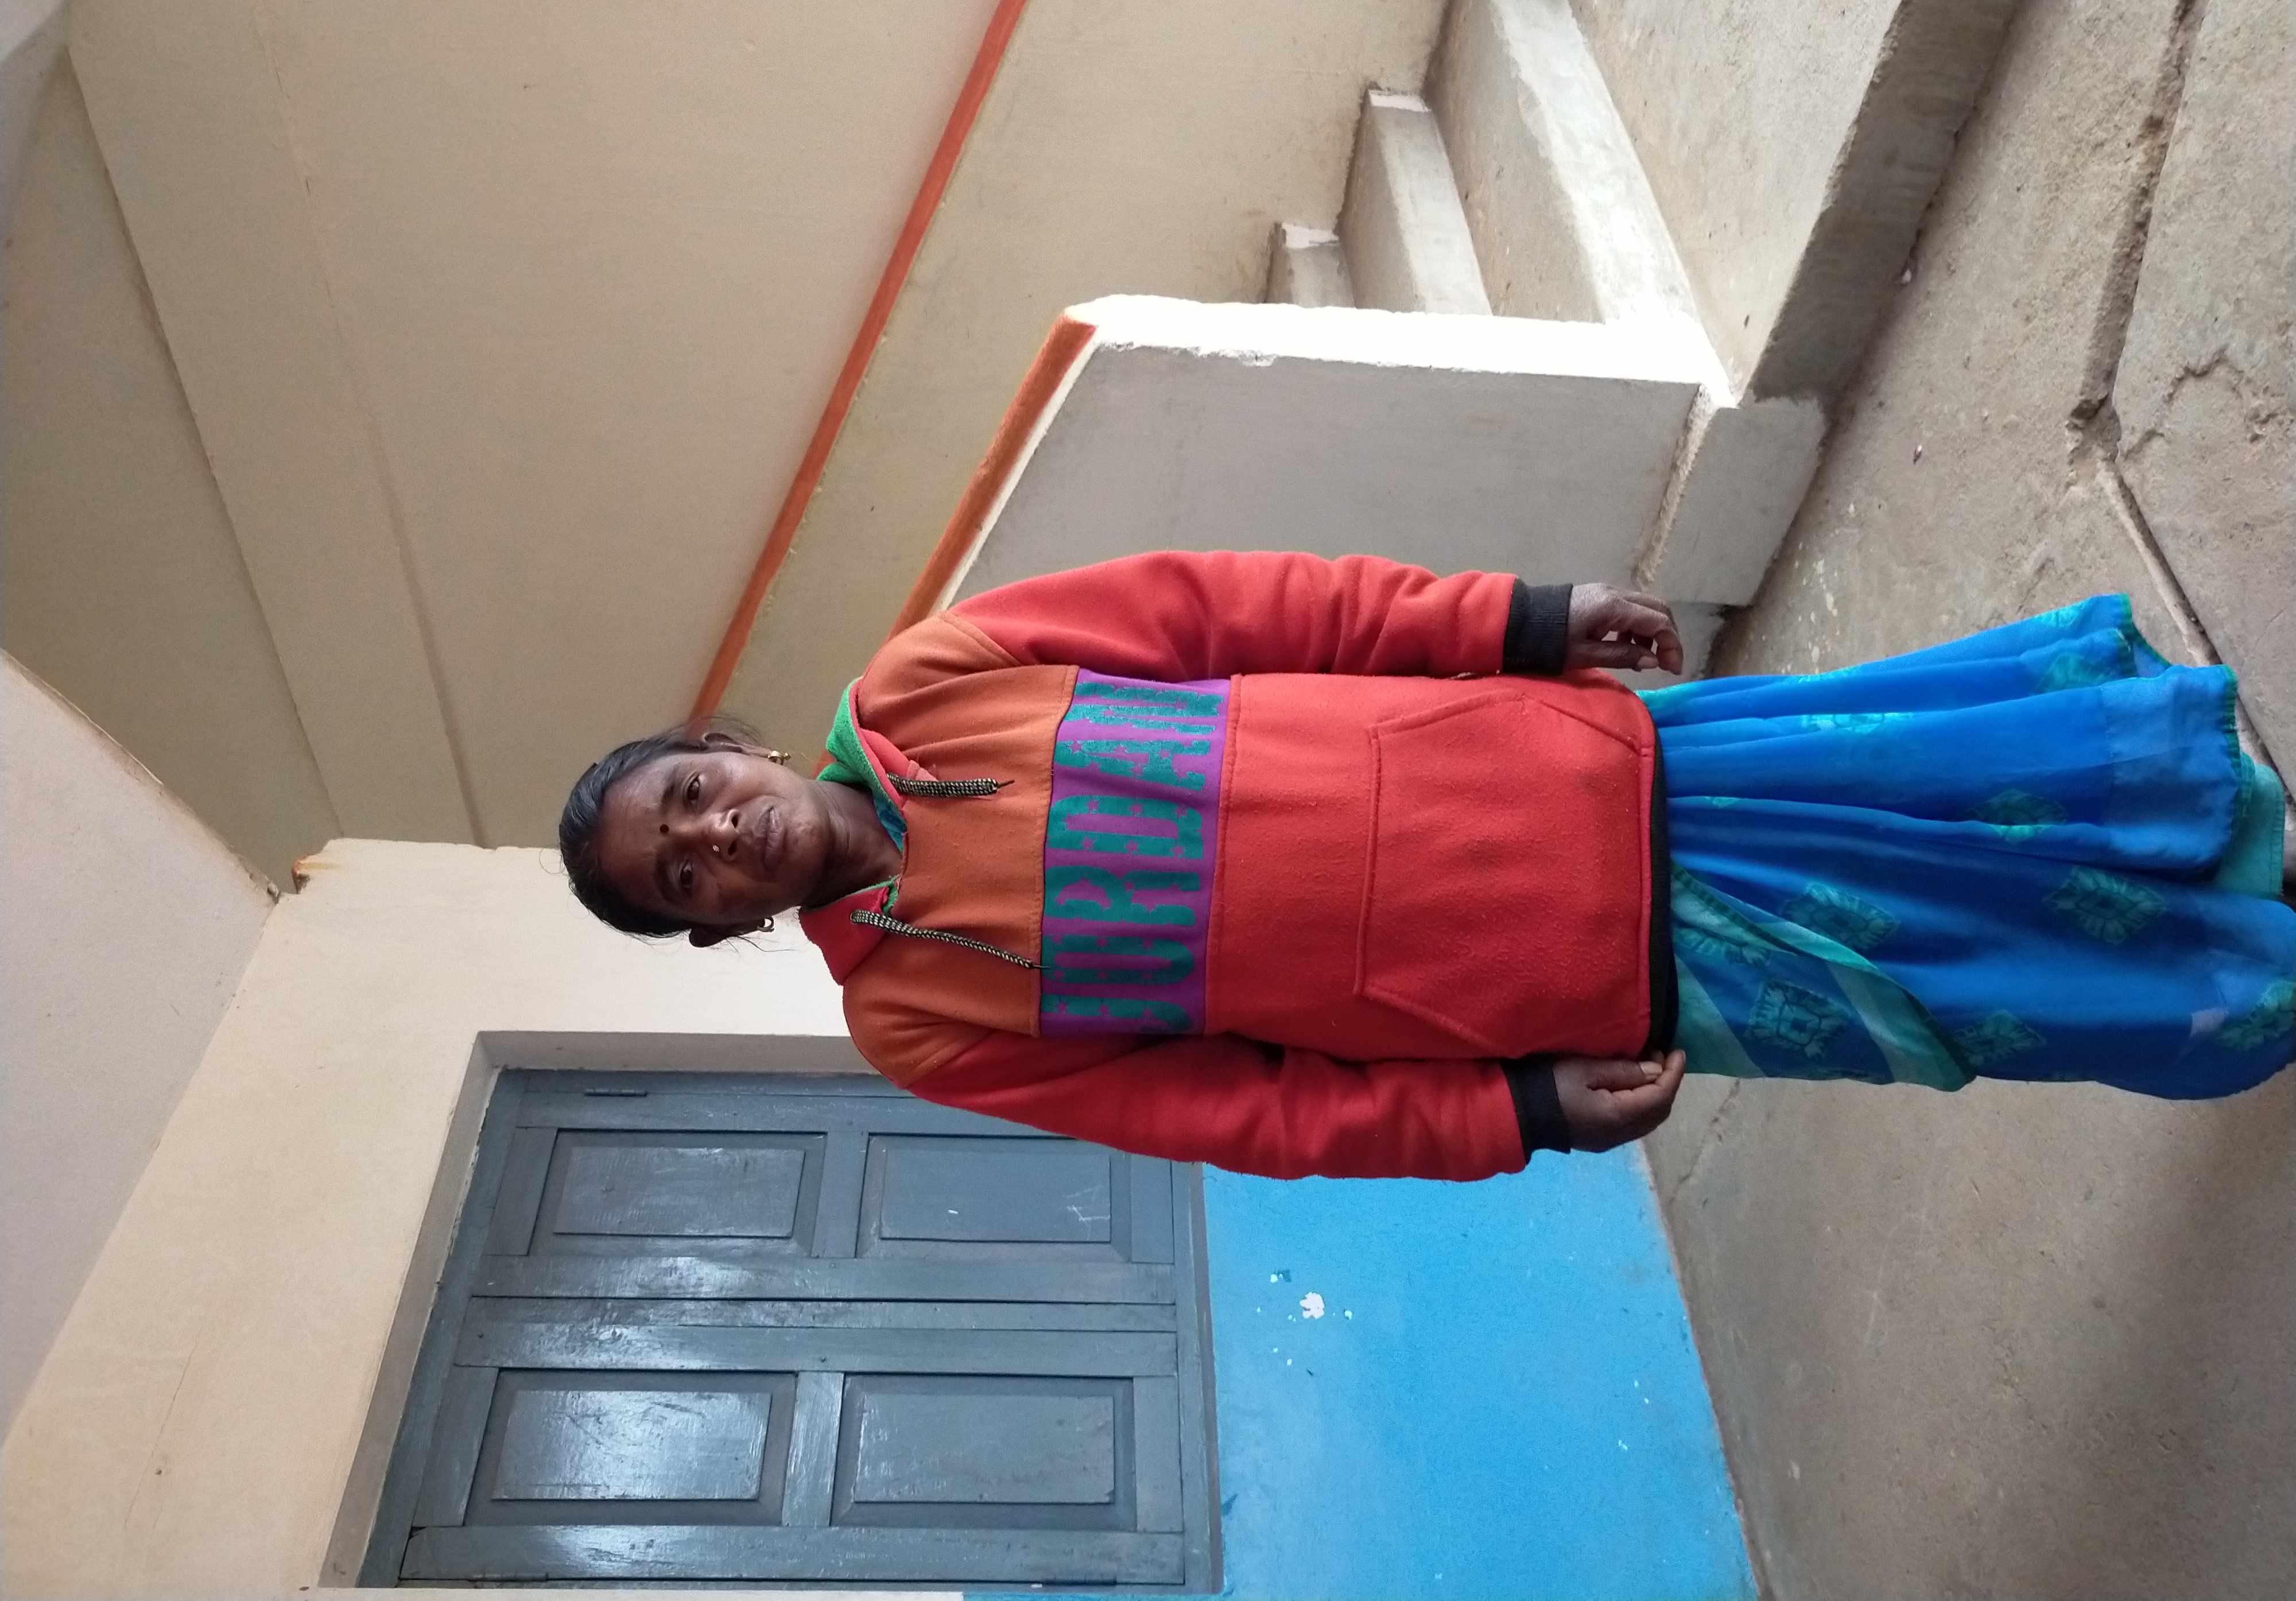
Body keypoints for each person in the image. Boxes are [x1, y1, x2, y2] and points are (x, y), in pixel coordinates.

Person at [559, 552, 2295, 1180]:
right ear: (712, 929)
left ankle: (2203, 819)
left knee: (1926, 776)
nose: (713, 839)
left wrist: (1512, 620)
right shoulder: (918, 1024)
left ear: (732, 744)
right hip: (1569, 983)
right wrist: (1508, 1115)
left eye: (690, 797)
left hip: (1580, 762)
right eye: (681, 878)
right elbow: (1233, 1112)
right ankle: (2230, 977)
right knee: (1941, 990)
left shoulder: (934, 675)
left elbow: (1252, 605)